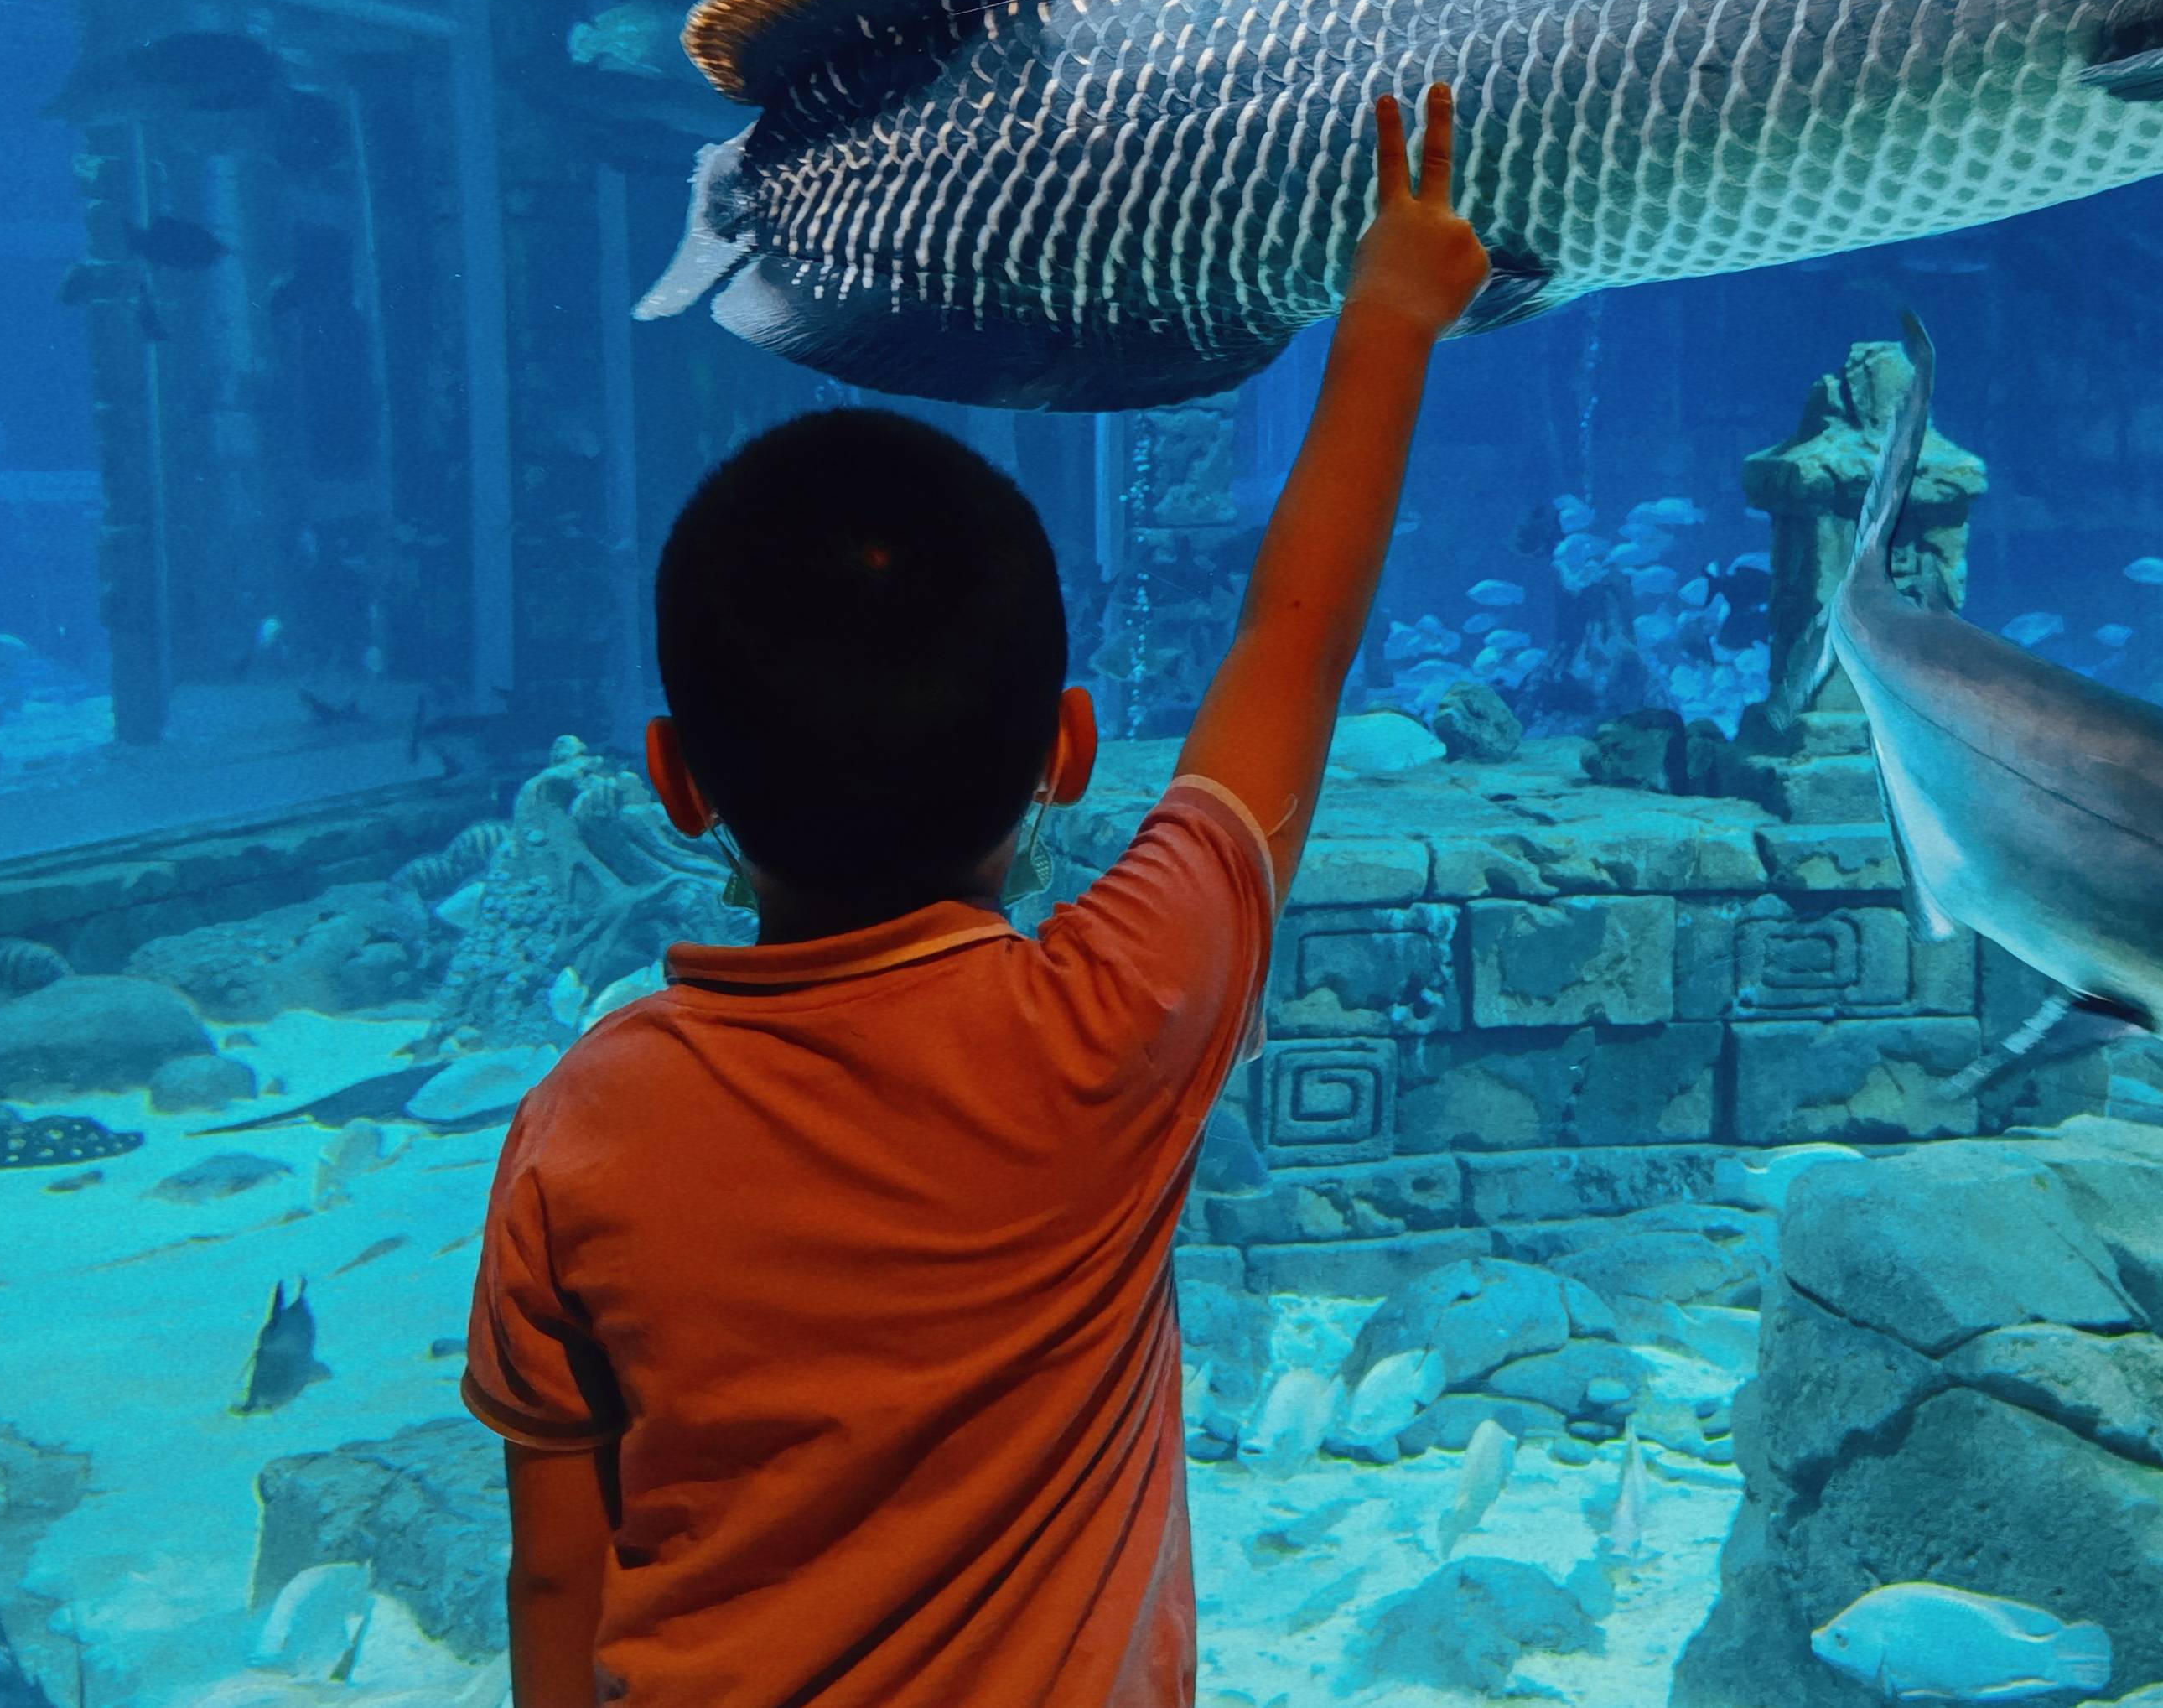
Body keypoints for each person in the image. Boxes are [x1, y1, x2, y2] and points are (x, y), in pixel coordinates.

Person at [465, 86, 1489, 1708]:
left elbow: (552, 1564)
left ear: (675, 784)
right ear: (1068, 751)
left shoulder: (582, 1128)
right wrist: (1388, 317)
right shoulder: (1113, 1020)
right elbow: (1291, 647)